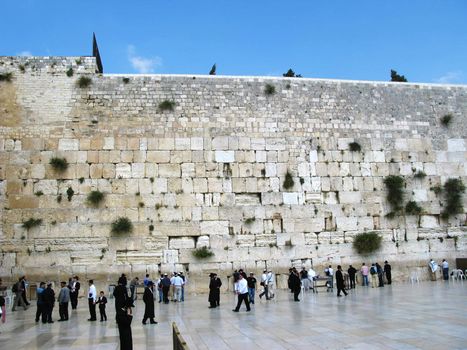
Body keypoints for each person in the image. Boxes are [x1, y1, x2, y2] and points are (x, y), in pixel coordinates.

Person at [114, 276, 133, 350]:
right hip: (123, 311)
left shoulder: (116, 288)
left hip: (118, 309)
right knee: (126, 336)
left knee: (122, 337)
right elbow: (128, 297)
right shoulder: (124, 288)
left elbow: (115, 294)